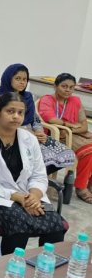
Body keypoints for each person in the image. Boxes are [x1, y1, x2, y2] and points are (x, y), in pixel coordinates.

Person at [0, 93, 67, 255]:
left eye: (20, 113)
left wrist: (34, 196)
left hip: (30, 195)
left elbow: (39, 175)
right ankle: (7, 270)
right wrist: (18, 197)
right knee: (19, 227)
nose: (16, 116)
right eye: (10, 111)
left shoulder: (29, 139)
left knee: (55, 226)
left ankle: (44, 268)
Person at [0, 64, 75, 172]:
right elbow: (1, 122)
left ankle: (38, 179)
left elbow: (35, 118)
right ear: (8, 78)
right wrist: (29, 134)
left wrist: (40, 132)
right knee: (41, 156)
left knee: (67, 153)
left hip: (33, 133)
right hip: (12, 134)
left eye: (25, 79)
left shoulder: (27, 97)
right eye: (18, 78)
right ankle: (26, 180)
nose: (22, 82)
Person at [38, 73, 92, 203]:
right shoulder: (47, 99)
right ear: (55, 86)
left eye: (71, 87)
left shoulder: (75, 101)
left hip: (72, 134)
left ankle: (89, 184)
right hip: (55, 135)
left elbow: (84, 126)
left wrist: (68, 127)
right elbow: (51, 120)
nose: (68, 90)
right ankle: (81, 187)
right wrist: (71, 125)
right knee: (89, 150)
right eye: (64, 86)